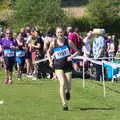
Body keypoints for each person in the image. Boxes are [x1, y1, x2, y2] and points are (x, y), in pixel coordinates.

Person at [47, 26, 79, 110]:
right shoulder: (53, 42)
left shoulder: (68, 42)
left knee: (68, 85)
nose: (60, 34)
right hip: (58, 65)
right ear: (56, 33)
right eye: (58, 32)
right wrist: (50, 61)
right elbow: (48, 52)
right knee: (62, 83)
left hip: (67, 65)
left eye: (61, 32)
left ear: (64, 32)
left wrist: (71, 57)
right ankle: (64, 104)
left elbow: (77, 51)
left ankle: (67, 91)